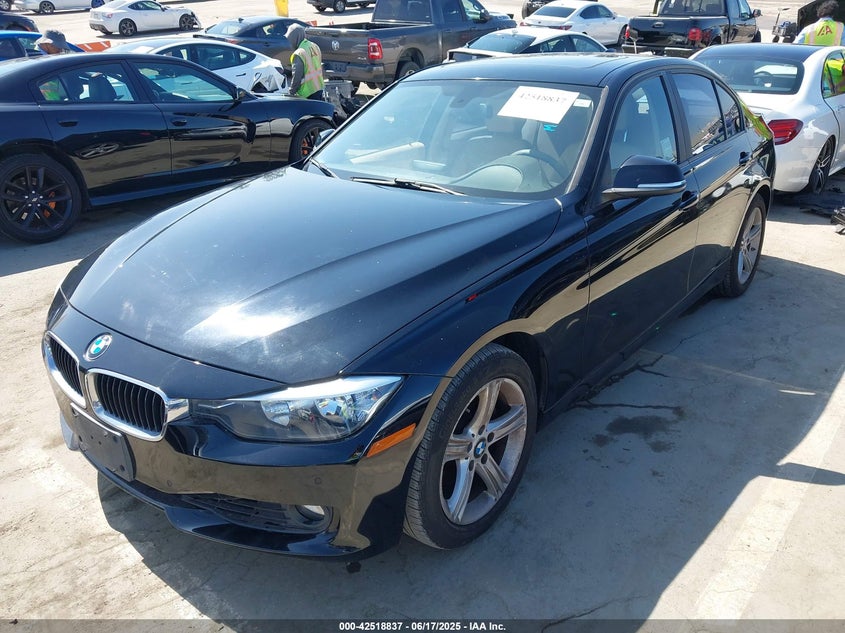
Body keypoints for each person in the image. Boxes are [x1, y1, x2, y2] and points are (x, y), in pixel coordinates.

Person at [286, 24, 325, 101]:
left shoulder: (299, 53)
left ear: (295, 38)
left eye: (290, 39)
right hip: (319, 88)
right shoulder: (314, 46)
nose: (290, 42)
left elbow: (297, 76)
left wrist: (291, 92)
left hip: (307, 93)